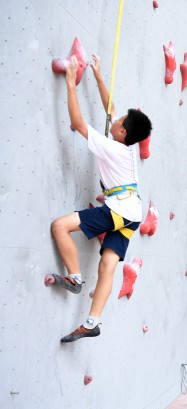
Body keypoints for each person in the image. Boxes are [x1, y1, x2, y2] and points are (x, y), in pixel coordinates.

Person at [51, 55, 152, 342]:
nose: (115, 120)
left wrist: (71, 84)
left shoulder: (112, 148)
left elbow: (78, 122)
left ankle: (74, 276)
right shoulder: (128, 146)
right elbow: (112, 108)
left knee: (60, 226)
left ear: (122, 132)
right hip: (132, 212)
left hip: (119, 209)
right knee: (107, 266)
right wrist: (97, 75)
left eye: (118, 122)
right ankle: (92, 322)